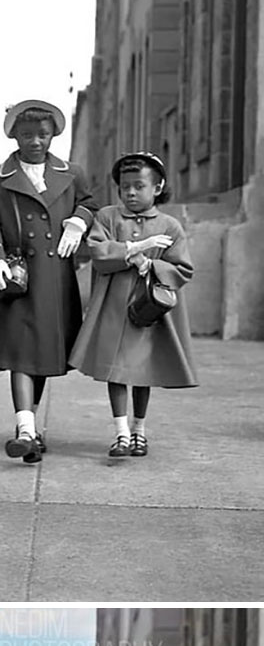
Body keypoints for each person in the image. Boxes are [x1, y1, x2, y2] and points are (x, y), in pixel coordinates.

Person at [0, 99, 98, 462]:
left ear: (53, 136)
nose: (35, 142)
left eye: (42, 135)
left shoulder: (72, 173)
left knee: (44, 353)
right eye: (27, 135)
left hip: (56, 277)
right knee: (21, 353)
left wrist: (79, 220)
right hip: (19, 276)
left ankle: (29, 428)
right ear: (14, 136)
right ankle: (26, 428)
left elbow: (91, 202)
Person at [69, 152, 197, 458]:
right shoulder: (108, 218)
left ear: (158, 187)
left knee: (142, 370)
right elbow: (98, 253)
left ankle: (139, 430)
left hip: (149, 311)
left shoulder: (170, 226)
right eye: (124, 186)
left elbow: (183, 269)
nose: (130, 193)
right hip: (114, 309)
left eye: (139, 186)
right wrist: (132, 252)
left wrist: (153, 267)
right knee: (116, 371)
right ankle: (121, 433)